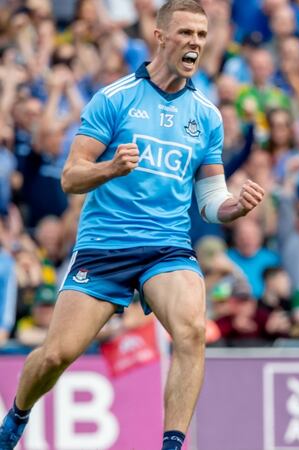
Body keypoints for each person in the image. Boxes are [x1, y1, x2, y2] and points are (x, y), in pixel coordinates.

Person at [0, 2, 266, 450]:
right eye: (185, 33)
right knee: (56, 355)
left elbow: (209, 201)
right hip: (106, 245)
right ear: (160, 38)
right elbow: (71, 175)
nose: (195, 43)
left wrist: (234, 207)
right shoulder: (115, 98)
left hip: (166, 246)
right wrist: (109, 169)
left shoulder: (207, 116)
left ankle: (172, 444)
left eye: (201, 35)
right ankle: (16, 418)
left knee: (192, 330)